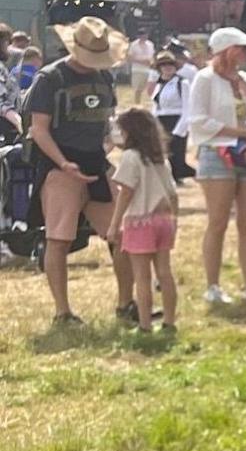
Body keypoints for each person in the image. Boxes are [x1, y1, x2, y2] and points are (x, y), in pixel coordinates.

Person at [24, 18, 137, 325]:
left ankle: (126, 303)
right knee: (58, 239)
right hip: (60, 169)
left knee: (122, 236)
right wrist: (63, 163)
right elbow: (39, 129)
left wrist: (109, 144)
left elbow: (108, 121)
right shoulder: (51, 78)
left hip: (96, 164)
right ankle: (63, 312)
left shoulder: (105, 78)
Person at [186, 26, 246, 304]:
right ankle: (212, 286)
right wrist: (238, 133)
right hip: (216, 153)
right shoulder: (205, 79)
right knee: (218, 221)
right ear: (226, 51)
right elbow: (198, 120)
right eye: (240, 47)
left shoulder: (244, 77)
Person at [108, 106, 182, 334]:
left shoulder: (131, 158)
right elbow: (173, 194)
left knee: (141, 276)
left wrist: (114, 224)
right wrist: (175, 221)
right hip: (163, 220)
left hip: (140, 221)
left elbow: (126, 192)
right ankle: (169, 322)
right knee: (164, 272)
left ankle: (144, 324)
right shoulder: (161, 160)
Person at [150, 52, 197, 181]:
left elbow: (188, 107)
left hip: (177, 120)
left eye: (170, 64)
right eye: (164, 65)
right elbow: (156, 105)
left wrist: (180, 129)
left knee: (177, 154)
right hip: (161, 121)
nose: (167, 67)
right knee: (165, 153)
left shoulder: (182, 83)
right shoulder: (159, 85)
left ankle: (183, 175)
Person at [125, 26, 157, 104]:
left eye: (145, 35)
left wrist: (151, 63)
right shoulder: (133, 45)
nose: (144, 37)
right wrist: (142, 61)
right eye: (142, 35)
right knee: (138, 89)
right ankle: (137, 104)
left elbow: (152, 56)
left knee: (151, 88)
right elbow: (129, 58)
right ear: (139, 36)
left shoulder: (150, 44)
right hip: (137, 70)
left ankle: (151, 104)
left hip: (149, 70)